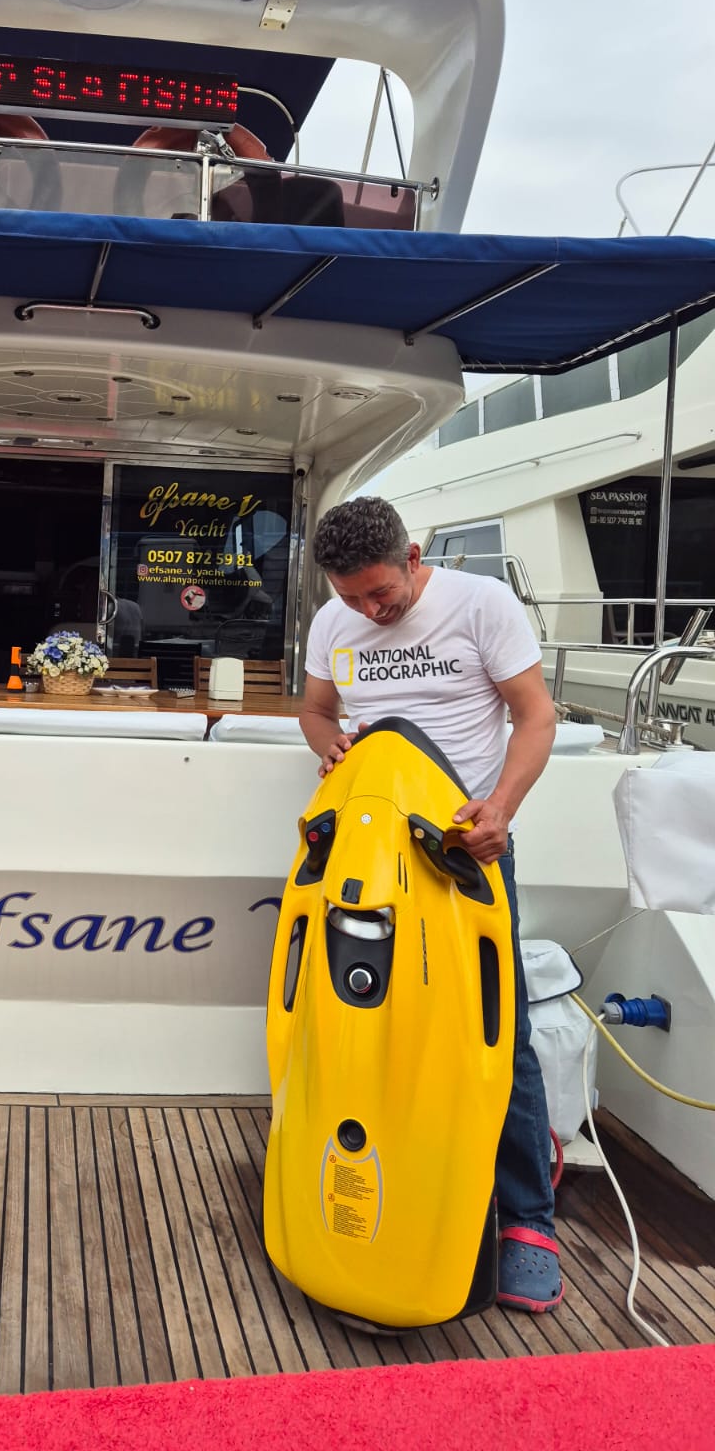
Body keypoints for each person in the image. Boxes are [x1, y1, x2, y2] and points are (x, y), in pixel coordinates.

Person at [299, 495, 563, 1314]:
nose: (369, 611)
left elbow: (536, 716)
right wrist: (331, 747)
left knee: (497, 1032)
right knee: (367, 1025)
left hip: (463, 853)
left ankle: (527, 1223)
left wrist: (500, 810)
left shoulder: (481, 604)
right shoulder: (333, 623)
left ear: (413, 557)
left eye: (380, 593)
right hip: (370, 856)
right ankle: (395, 1186)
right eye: (351, 597)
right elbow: (315, 709)